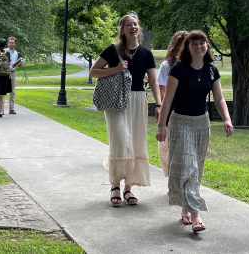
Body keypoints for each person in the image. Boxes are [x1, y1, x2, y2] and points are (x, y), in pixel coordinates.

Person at [156, 30, 234, 233]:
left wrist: (226, 118)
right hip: (180, 122)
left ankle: (185, 207)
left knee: (195, 169)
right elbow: (168, 100)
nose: (199, 46)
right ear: (187, 47)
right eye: (194, 43)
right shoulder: (178, 70)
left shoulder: (211, 70)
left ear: (207, 46)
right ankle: (196, 214)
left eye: (202, 43)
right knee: (188, 166)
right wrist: (162, 126)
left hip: (202, 123)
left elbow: (219, 99)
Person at [89, 14, 162, 207]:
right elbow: (93, 71)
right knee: (120, 142)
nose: (133, 27)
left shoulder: (146, 53)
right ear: (122, 30)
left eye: (136, 24)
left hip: (138, 99)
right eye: (129, 25)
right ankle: (115, 185)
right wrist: (117, 69)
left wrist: (159, 104)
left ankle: (128, 188)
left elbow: (153, 81)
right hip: (116, 100)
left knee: (136, 142)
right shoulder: (113, 50)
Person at [156, 31, 188, 178]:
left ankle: (184, 180)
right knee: (170, 148)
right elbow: (162, 93)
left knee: (186, 148)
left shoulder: (194, 64)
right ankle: (173, 179)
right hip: (171, 111)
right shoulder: (166, 66)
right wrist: (162, 113)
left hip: (189, 111)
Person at [6, 37, 21, 114]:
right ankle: (0, 108)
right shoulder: (4, 51)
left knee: (12, 90)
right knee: (2, 89)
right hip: (4, 72)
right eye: (10, 42)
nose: (11, 44)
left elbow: (15, 63)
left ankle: (11, 108)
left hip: (12, 72)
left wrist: (18, 65)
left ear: (15, 44)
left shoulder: (16, 53)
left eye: (12, 43)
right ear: (7, 43)